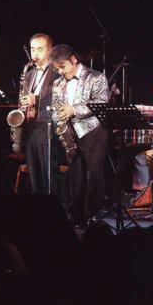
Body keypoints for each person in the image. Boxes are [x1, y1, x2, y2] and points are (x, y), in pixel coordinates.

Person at [49, 44, 109, 226]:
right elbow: (56, 107)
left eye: (63, 67)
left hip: (93, 131)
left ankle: (94, 213)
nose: (60, 72)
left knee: (94, 173)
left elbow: (101, 103)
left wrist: (73, 110)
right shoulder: (58, 83)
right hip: (71, 132)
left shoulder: (96, 77)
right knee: (76, 175)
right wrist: (59, 123)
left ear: (73, 59)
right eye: (57, 69)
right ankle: (76, 216)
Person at [22, 33, 64, 199]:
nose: (35, 53)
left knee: (49, 172)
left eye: (40, 49)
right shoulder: (29, 74)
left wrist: (37, 99)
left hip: (49, 127)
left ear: (50, 50)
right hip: (32, 127)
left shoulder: (58, 72)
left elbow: (60, 97)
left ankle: (55, 207)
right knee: (34, 173)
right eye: (33, 49)